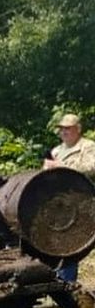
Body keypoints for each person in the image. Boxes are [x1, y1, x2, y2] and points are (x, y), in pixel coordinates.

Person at [42, 113, 95, 281]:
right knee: (58, 241)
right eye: (61, 129)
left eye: (68, 128)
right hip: (58, 203)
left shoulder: (88, 146)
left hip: (82, 202)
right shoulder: (56, 150)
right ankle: (59, 279)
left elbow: (92, 167)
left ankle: (67, 283)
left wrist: (63, 166)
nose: (64, 132)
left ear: (78, 129)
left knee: (72, 242)